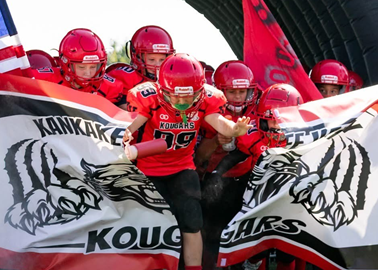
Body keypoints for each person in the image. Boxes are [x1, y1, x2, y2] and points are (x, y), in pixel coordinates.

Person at [124, 53, 252, 270]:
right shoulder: (148, 97)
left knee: (192, 222)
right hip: (148, 169)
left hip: (182, 167)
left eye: (189, 96)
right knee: (151, 225)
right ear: (162, 90)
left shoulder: (208, 99)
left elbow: (219, 122)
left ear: (200, 91)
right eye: (176, 96)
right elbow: (129, 126)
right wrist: (124, 133)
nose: (182, 102)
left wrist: (234, 129)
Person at [196, 60, 259, 270]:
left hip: (248, 180)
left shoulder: (258, 111)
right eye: (232, 91)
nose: (239, 97)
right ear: (221, 91)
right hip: (216, 179)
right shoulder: (211, 112)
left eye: (243, 91)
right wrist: (216, 141)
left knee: (244, 236)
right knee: (213, 235)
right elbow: (199, 157)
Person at [240, 84, 304, 270]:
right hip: (257, 198)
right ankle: (251, 263)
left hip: (289, 199)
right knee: (258, 248)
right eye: (271, 121)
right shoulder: (251, 135)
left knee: (288, 251)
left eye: (281, 121)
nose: (276, 127)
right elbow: (236, 161)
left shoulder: (304, 139)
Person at [31, 28, 124, 103]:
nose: (87, 73)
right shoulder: (44, 79)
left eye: (93, 67)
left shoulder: (109, 87)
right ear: (65, 63)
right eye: (81, 67)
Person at [106, 25, 175, 108]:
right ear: (138, 57)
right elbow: (123, 111)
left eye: (162, 60)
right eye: (151, 59)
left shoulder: (172, 79)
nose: (157, 65)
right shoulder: (127, 76)